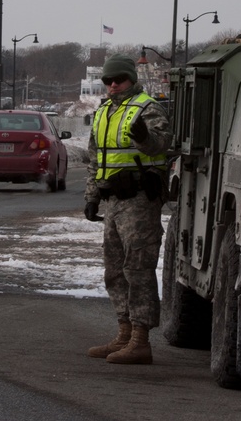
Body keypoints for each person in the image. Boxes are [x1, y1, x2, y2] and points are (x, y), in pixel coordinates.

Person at [84, 54, 171, 365]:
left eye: (118, 79)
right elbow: (95, 158)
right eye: (108, 80)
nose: (112, 85)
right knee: (115, 270)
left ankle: (140, 339)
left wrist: (145, 138)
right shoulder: (104, 111)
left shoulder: (148, 108)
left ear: (132, 79)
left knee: (138, 269)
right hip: (114, 201)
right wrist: (92, 195)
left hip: (139, 201)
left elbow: (161, 144)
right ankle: (123, 333)